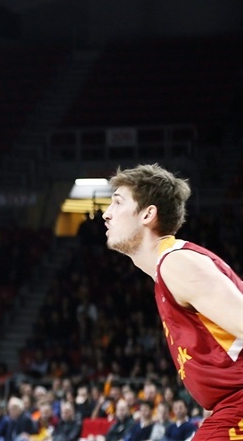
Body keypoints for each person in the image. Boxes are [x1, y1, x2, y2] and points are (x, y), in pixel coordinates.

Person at [103, 163, 243, 440]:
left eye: (117, 203)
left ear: (147, 214)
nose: (106, 214)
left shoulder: (176, 263)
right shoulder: (171, 268)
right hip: (226, 408)